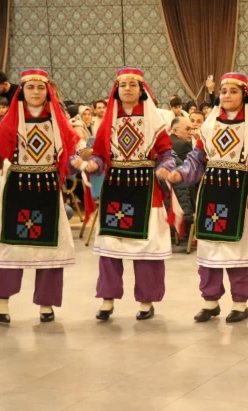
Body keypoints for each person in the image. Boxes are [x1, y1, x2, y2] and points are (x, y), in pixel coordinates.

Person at [167, 72, 248, 323]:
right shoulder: (210, 125)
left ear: (244, 95)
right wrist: (181, 174)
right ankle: (210, 302)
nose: (227, 95)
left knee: (236, 250)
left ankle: (240, 304)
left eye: (233, 91)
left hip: (239, 193)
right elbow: (196, 160)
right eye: (224, 91)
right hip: (210, 192)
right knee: (209, 248)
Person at [0, 69, 80, 323]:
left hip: (49, 191)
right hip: (18, 191)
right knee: (13, 248)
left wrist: (79, 163)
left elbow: (68, 159)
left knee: (50, 249)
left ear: (48, 91)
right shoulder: (12, 120)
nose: (36, 92)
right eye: (30, 87)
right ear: (22, 91)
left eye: (40, 87)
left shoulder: (57, 121)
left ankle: (46, 305)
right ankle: (2, 302)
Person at [85, 68, 176, 321]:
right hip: (115, 188)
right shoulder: (108, 120)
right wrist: (93, 165)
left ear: (141, 90)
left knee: (146, 247)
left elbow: (167, 153)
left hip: (146, 188)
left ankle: (146, 301)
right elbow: (100, 155)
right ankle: (107, 300)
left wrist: (165, 168)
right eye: (123, 85)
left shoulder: (153, 119)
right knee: (110, 246)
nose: (127, 88)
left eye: (132, 85)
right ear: (116, 90)